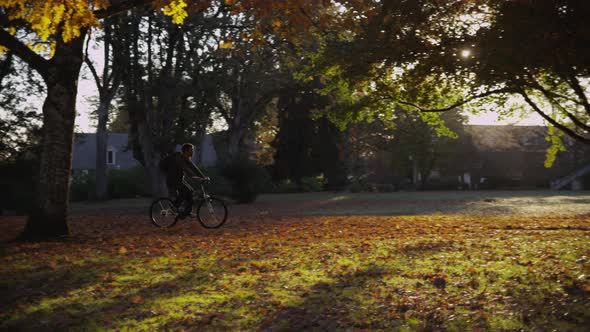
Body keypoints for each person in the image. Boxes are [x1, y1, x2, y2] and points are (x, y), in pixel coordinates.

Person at [165, 143, 208, 219]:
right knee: (186, 191)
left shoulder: (187, 158)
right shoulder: (179, 158)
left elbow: (194, 168)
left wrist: (204, 177)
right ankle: (173, 207)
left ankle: (186, 213)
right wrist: (196, 178)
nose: (192, 152)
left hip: (179, 180)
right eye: (191, 150)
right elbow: (187, 170)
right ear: (185, 151)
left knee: (190, 192)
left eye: (193, 150)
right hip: (172, 180)